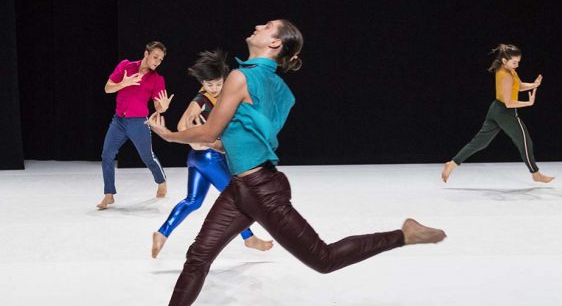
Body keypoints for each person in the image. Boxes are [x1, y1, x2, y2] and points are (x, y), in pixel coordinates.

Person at [147, 20, 446, 305]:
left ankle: (404, 234)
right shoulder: (275, 86)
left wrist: (169, 135)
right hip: (242, 188)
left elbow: (212, 130)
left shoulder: (241, 77)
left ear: (274, 42)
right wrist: (214, 141)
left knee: (324, 259)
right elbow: (238, 138)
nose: (257, 27)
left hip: (262, 190)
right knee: (198, 256)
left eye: (265, 27)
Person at [151, 49, 273, 258]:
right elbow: (181, 125)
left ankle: (162, 233)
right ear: (202, 83)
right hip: (210, 157)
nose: (214, 88)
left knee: (193, 200)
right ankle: (249, 238)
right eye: (209, 85)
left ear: (224, 79)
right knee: (237, 197)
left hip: (198, 160)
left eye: (217, 83)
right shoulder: (201, 99)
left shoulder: (229, 94)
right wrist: (195, 141)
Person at [442, 44, 554, 184]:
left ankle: (452, 164)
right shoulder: (506, 75)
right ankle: (535, 174)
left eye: (518, 62)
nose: (517, 65)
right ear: (504, 60)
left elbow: (518, 86)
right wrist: (528, 103)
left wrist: (534, 84)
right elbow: (509, 103)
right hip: (505, 112)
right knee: (525, 142)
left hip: (495, 109)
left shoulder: (508, 70)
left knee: (479, 142)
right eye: (514, 62)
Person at [97, 41, 174, 210]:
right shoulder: (126, 66)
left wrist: (163, 107)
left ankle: (161, 181)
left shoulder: (157, 79)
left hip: (138, 122)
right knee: (107, 155)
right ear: (146, 54)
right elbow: (107, 88)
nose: (157, 62)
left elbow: (158, 106)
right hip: (118, 121)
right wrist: (123, 84)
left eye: (160, 60)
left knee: (148, 157)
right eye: (155, 57)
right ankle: (109, 194)